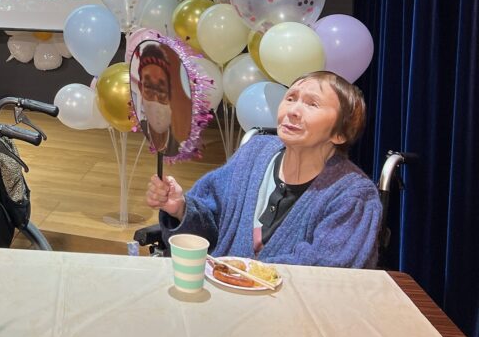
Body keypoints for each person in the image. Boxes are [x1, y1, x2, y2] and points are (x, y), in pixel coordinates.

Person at [146, 70, 382, 268]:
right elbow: (211, 225)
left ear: (340, 133)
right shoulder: (255, 152)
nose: (293, 111)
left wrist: (243, 272)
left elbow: (328, 269)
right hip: (219, 291)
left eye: (312, 104)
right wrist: (180, 208)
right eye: (291, 98)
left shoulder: (353, 195)